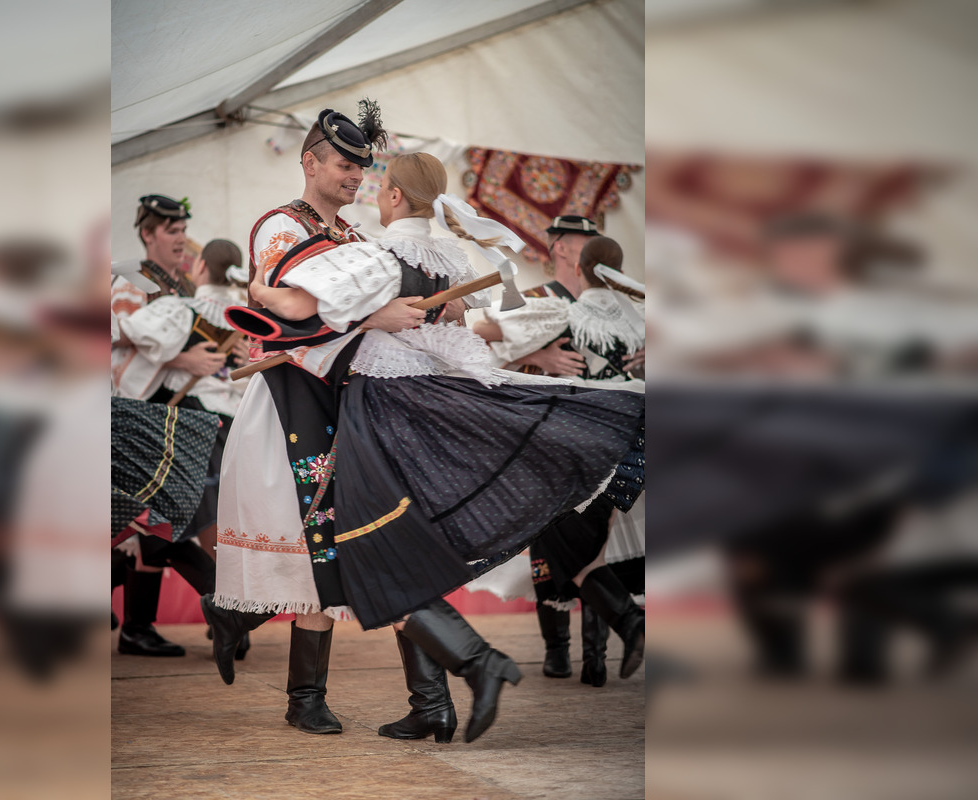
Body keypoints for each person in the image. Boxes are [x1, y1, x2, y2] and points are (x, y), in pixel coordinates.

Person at [225, 152, 646, 742]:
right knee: (393, 546)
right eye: (347, 167)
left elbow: (296, 307)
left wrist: (259, 289)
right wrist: (391, 320)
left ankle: (455, 676)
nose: (365, 187)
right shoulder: (448, 258)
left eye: (376, 184)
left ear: (394, 196)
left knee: (377, 546)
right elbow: (459, 330)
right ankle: (435, 698)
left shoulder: (374, 253)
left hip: (377, 410)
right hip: (421, 408)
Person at [201, 101, 428, 736]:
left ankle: (241, 625)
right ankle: (304, 698)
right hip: (290, 399)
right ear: (309, 162)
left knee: (333, 544)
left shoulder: (356, 238)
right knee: (315, 544)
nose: (357, 175)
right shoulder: (280, 226)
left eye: (362, 166)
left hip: (342, 399)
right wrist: (374, 316)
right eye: (344, 164)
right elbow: (282, 316)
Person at [472, 227, 646, 684]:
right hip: (631, 447)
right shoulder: (641, 320)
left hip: (575, 445)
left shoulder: (563, 311)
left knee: (565, 545)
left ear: (581, 267)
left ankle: (624, 629)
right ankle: (595, 658)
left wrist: (535, 349)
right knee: (593, 546)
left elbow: (486, 328)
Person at [109, 195, 228, 657]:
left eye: (183, 231)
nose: (181, 239)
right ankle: (223, 604)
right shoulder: (132, 276)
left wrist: (222, 350)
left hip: (169, 407)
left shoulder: (180, 283)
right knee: (153, 519)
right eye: (172, 231)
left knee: (155, 519)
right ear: (148, 234)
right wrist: (184, 359)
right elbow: (117, 332)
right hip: (135, 409)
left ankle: (137, 625)